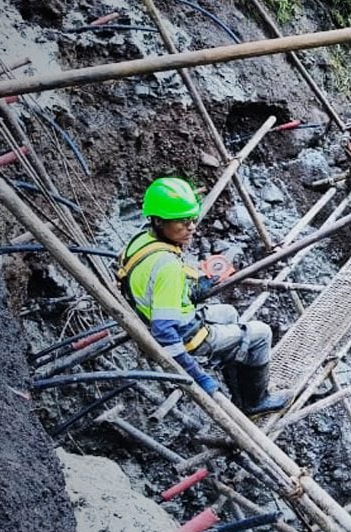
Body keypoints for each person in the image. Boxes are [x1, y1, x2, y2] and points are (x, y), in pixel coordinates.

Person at [117, 177, 289, 416]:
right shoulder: (167, 266)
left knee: (229, 313)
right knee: (261, 334)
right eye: (183, 222)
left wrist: (196, 288)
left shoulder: (140, 242)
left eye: (192, 220)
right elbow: (164, 332)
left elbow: (153, 288)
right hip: (185, 336)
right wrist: (197, 376)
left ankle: (237, 383)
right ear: (158, 220)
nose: (192, 227)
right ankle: (254, 402)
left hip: (154, 315)